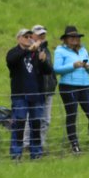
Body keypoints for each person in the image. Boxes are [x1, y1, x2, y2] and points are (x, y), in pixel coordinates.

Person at [53, 25, 89, 152]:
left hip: (85, 85)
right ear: (65, 39)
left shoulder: (83, 50)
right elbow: (57, 69)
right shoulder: (60, 51)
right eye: (71, 37)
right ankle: (74, 143)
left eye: (77, 37)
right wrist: (73, 66)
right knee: (72, 114)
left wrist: (88, 67)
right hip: (68, 86)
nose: (75, 39)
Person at [6, 28, 51, 161]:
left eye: (30, 36)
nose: (28, 39)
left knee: (36, 125)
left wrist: (43, 60)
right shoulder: (13, 52)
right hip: (20, 95)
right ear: (18, 38)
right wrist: (28, 50)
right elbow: (11, 61)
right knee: (19, 124)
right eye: (25, 36)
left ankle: (36, 153)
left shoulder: (36, 53)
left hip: (37, 94)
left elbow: (48, 71)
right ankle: (16, 154)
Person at [30, 25, 55, 153]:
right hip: (35, 89)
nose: (42, 36)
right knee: (32, 118)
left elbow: (50, 69)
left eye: (43, 34)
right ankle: (26, 144)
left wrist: (53, 82)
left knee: (46, 119)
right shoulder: (28, 50)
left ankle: (41, 143)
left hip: (48, 89)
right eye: (39, 34)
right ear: (32, 35)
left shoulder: (46, 49)